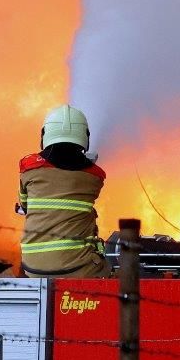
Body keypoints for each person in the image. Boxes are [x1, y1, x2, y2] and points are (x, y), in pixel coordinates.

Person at [15, 105, 112, 277]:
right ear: (85, 137)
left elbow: (25, 203)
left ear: (44, 134)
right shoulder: (95, 177)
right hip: (79, 269)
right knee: (110, 271)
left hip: (32, 268)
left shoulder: (28, 168)